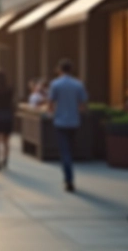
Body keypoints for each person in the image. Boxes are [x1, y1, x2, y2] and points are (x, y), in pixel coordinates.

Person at [48, 59, 88, 192]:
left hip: (60, 121)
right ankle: (69, 175)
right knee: (69, 149)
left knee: (64, 151)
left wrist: (53, 113)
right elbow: (82, 105)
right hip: (74, 121)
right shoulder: (78, 84)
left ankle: (68, 179)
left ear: (60, 69)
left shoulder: (55, 84)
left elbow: (50, 104)